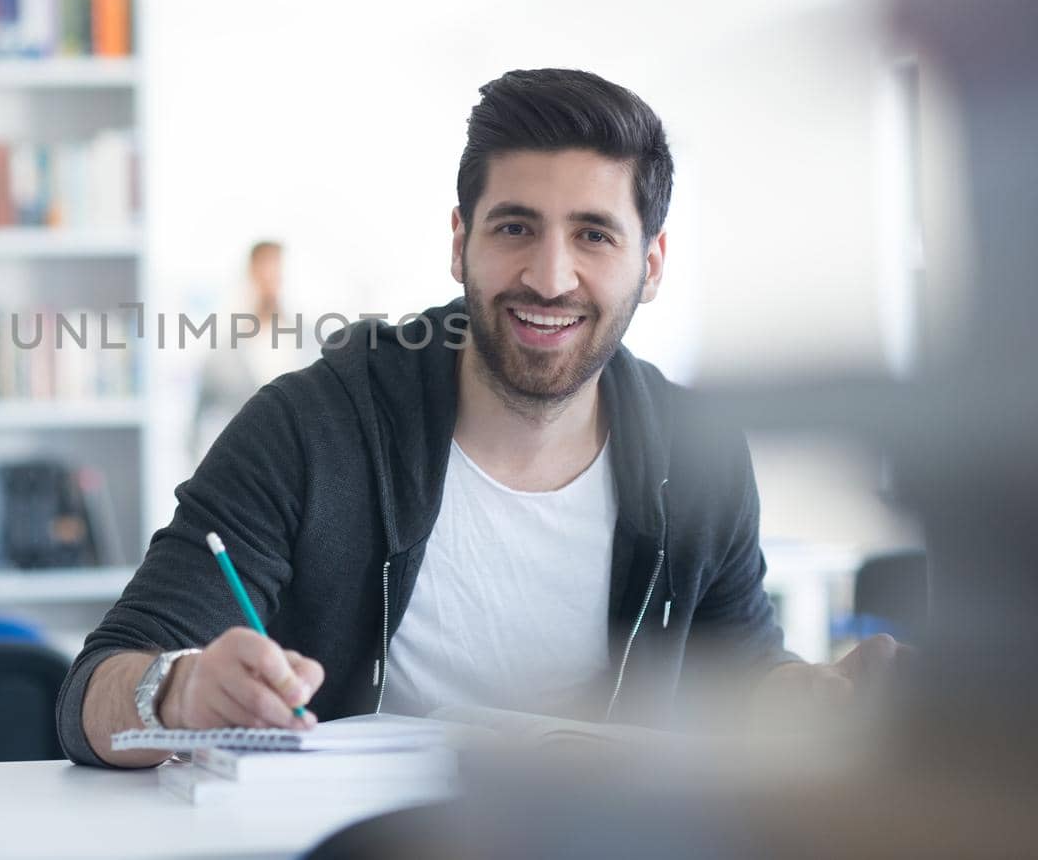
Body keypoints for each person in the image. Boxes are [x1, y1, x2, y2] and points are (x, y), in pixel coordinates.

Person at [57, 68, 901, 769]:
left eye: (595, 236)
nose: (549, 274)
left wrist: (808, 700)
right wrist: (177, 692)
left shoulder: (700, 453)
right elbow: (93, 691)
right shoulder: (309, 427)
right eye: (515, 227)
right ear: (460, 242)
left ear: (651, 265)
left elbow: (742, 673)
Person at [187, 240, 307, 464]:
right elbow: (196, 427)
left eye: (277, 275)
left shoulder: (305, 342)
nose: (271, 285)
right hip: (240, 475)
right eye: (264, 275)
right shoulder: (223, 353)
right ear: (249, 278)